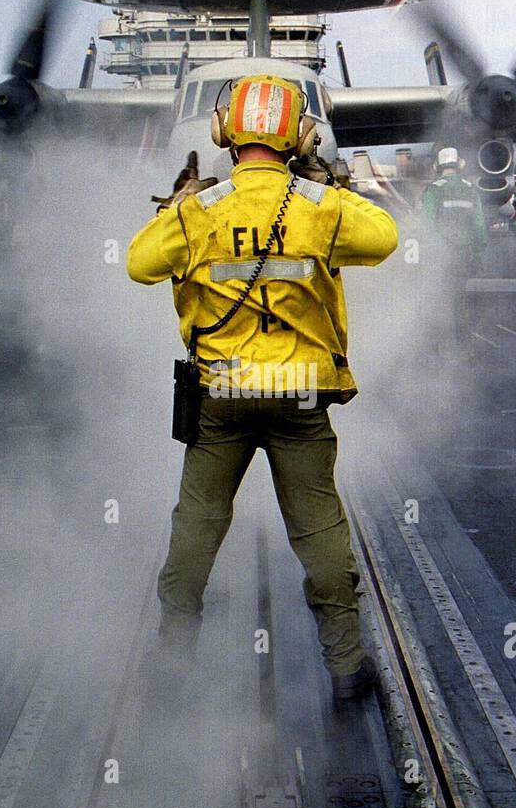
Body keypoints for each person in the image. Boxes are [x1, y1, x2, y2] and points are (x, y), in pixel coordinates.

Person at [127, 73, 398, 702]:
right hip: (300, 397)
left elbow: (139, 263)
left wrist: (177, 206)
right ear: (301, 135)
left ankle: (170, 663)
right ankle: (346, 667)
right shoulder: (321, 208)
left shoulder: (201, 211)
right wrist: (330, 185)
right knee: (319, 530)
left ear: (224, 132)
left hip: (220, 395)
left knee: (197, 525)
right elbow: (384, 238)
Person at [419, 146, 487, 353]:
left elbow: (426, 225)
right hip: (463, 254)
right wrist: (477, 251)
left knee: (437, 297)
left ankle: (435, 347)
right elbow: (480, 227)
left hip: (440, 255)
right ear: (459, 165)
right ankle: (464, 346)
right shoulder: (470, 189)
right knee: (460, 299)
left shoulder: (434, 189)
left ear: (437, 167)